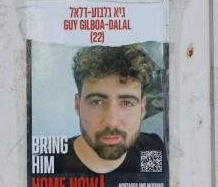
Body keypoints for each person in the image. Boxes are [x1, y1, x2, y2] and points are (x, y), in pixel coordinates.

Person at [52, 44, 167, 175]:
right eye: (97, 102)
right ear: (78, 105)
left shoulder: (153, 148)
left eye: (127, 103)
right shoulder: (47, 171)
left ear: (142, 108)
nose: (112, 123)